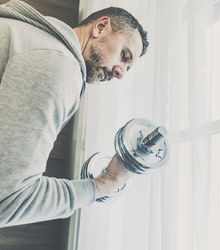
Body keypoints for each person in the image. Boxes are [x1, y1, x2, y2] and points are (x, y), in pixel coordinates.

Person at [0, 0, 148, 227]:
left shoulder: (26, 35)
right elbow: (8, 199)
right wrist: (105, 184)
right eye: (123, 55)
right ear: (100, 27)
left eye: (128, 68)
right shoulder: (58, 64)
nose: (121, 73)